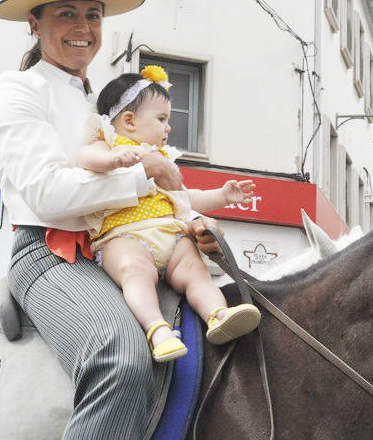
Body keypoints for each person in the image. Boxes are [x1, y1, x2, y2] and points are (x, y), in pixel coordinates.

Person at [0, 0, 225, 440]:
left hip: (125, 244)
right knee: (120, 355)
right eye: (66, 14)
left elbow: (154, 186)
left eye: (92, 15)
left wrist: (188, 222)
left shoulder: (107, 103)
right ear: (35, 23)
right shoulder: (16, 89)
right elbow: (47, 192)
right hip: (50, 254)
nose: (83, 28)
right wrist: (145, 176)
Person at [77, 66, 261, 361]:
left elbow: (185, 197)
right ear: (129, 121)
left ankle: (217, 314)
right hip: (123, 235)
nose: (168, 127)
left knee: (196, 272)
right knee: (135, 271)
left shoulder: (164, 160)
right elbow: (85, 157)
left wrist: (223, 195)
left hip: (170, 234)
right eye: (161, 119)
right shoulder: (110, 142)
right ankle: (157, 329)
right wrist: (112, 159)